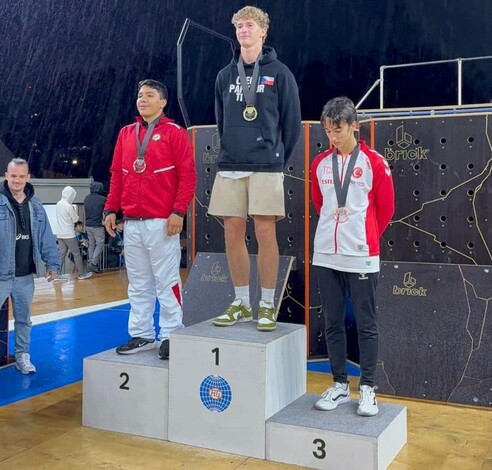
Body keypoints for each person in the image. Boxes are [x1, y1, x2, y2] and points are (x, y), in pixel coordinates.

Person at [209, 5, 301, 332]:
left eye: (250, 26)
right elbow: (221, 123)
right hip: (231, 164)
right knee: (232, 232)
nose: (244, 31)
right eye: (239, 27)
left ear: (263, 31)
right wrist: (233, 146)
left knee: (265, 232)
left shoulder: (280, 73)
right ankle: (241, 302)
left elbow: (292, 125)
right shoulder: (224, 75)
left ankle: (265, 304)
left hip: (266, 164)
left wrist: (275, 157)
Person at [310, 97, 395, 417]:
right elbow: (320, 204)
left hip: (361, 254)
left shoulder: (374, 162)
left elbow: (386, 209)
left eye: (338, 129)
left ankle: (369, 388)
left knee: (366, 323)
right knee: (331, 322)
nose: (332, 136)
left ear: (354, 126)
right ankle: (339, 385)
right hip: (326, 255)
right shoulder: (319, 163)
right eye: (328, 130)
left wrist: (365, 235)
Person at [104, 79, 196, 359]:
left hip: (162, 221)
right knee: (138, 283)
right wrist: (110, 209)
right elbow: (118, 175)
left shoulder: (175, 133)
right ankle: (142, 334)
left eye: (150, 95)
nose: (142, 99)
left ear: (163, 102)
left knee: (166, 280)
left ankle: (171, 333)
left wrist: (179, 211)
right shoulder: (125, 133)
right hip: (131, 222)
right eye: (140, 95)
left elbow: (188, 176)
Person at [0, 158, 60, 374]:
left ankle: (22, 357)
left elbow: (45, 237)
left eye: (21, 176)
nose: (17, 180)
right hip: (1, 276)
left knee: (24, 320)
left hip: (25, 276)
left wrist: (52, 263)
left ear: (28, 178)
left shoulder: (36, 206)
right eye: (13, 176)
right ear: (6, 176)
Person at [56, 186, 93, 280]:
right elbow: (76, 219)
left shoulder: (58, 204)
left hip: (60, 234)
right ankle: (81, 274)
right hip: (69, 235)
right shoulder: (68, 206)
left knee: (61, 255)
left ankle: (57, 274)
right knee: (76, 254)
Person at [83, 181, 107, 272]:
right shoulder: (102, 199)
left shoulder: (86, 198)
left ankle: (90, 262)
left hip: (88, 225)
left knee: (91, 244)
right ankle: (93, 263)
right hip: (98, 225)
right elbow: (105, 212)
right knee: (100, 243)